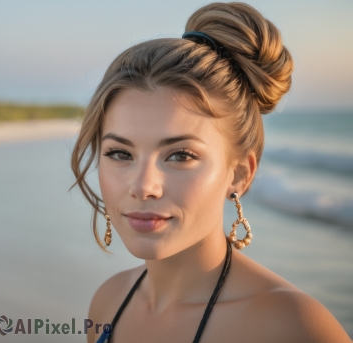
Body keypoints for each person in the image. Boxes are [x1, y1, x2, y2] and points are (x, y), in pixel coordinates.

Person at [70, 2, 351, 342]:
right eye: (119, 153)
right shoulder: (107, 303)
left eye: (180, 155)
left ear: (239, 174)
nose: (144, 186)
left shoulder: (292, 327)